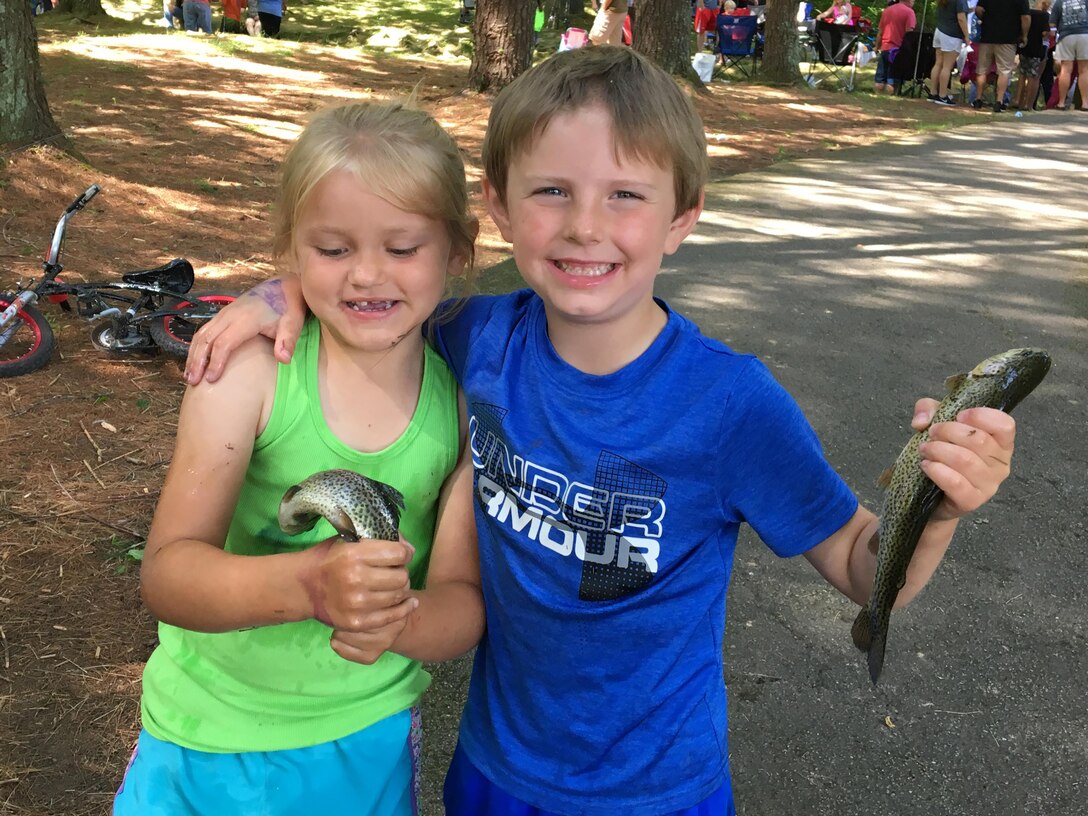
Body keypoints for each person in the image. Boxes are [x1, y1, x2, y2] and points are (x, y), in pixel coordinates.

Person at [185, 47, 1021, 815]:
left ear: (682, 219)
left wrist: (939, 509)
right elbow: (372, 289)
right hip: (493, 769)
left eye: (626, 194)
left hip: (656, 789)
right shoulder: (478, 339)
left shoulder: (730, 405)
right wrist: (281, 289)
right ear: (499, 206)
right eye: (553, 190)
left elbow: (864, 566)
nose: (586, 225)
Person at [112, 101, 484, 816]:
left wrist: (394, 617)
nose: (367, 275)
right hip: (201, 733)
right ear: (291, 250)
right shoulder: (249, 373)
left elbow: (461, 605)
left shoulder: (463, 406)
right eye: (333, 249)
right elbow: (167, 574)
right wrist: (311, 584)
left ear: (457, 251)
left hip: (361, 741)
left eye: (402, 248)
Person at [973, 0, 1031, 111]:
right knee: (1004, 71)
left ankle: (978, 99)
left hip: (987, 36)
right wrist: (1024, 35)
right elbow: (1026, 18)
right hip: (1008, 38)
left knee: (982, 69)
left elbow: (978, 9)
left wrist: (986, 18)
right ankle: (999, 101)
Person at [929, 0, 972, 104]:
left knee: (938, 63)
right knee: (947, 66)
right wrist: (967, 36)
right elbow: (961, 18)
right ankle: (943, 95)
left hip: (939, 31)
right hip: (951, 35)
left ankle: (933, 92)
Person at [1013, 0, 1054, 108]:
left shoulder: (1028, 13)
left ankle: (1017, 100)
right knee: (1034, 76)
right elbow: (1045, 33)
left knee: (1022, 74)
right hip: (1038, 49)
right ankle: (1028, 104)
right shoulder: (1045, 16)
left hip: (1025, 47)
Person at [1051, 0, 1088, 109]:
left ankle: (1061, 103)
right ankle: (1085, 103)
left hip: (1066, 36)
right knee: (1084, 70)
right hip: (1085, 35)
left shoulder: (1059, 3)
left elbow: (1052, 24)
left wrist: (1054, 34)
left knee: (1065, 70)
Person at [874, 0, 917, 93]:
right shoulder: (909, 12)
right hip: (898, 51)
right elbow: (909, 34)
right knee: (893, 81)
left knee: (879, 80)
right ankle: (891, 97)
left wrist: (876, 47)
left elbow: (880, 32)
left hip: (885, 48)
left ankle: (878, 97)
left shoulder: (887, 10)